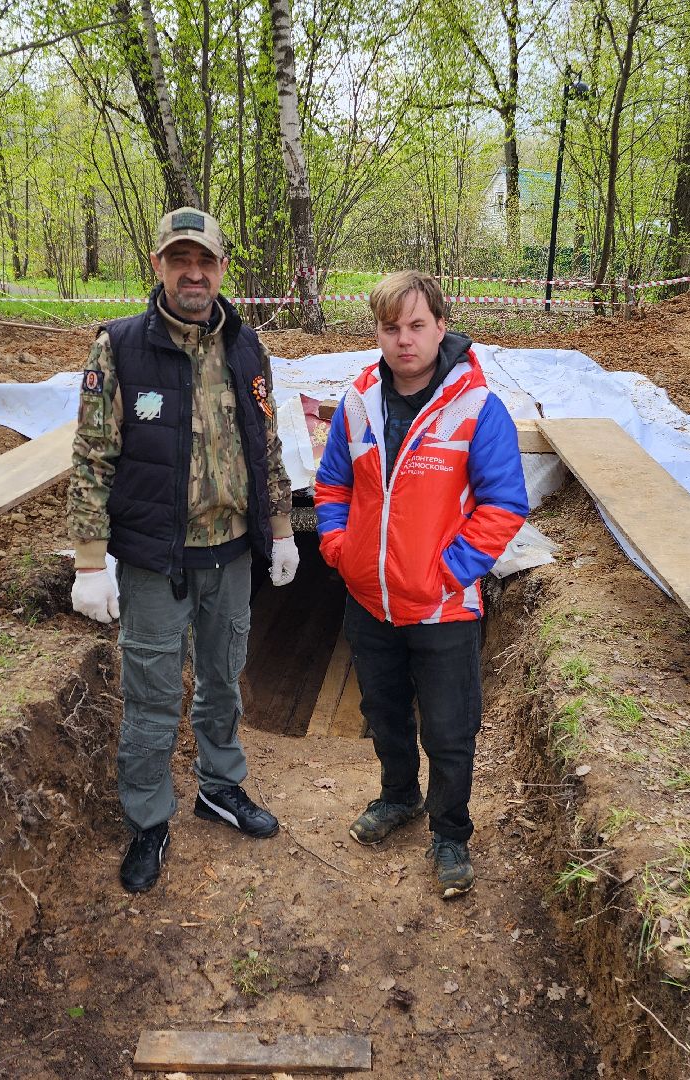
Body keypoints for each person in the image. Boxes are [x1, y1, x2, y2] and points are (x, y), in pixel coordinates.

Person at [67, 207, 299, 894]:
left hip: (229, 555)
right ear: (159, 265)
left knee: (224, 681)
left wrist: (281, 530)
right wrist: (88, 561)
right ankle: (148, 818)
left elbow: (268, 447)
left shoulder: (247, 349)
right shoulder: (121, 348)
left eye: (205, 261)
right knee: (152, 696)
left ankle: (220, 789)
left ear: (223, 268)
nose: (193, 273)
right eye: (179, 260)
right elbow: (90, 459)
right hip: (154, 561)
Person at [314, 270, 528, 899]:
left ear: (440, 325)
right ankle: (399, 797)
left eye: (416, 325)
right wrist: (340, 550)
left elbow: (503, 505)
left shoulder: (476, 408)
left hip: (442, 607)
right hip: (369, 602)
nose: (404, 340)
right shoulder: (356, 407)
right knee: (383, 713)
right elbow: (332, 487)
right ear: (377, 333)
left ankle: (451, 832)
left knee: (449, 728)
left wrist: (448, 572)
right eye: (390, 328)